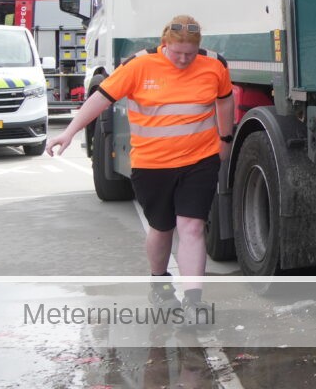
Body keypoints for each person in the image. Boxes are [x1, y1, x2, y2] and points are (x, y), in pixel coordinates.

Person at [47, 16, 234, 325]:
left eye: (190, 53)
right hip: (152, 165)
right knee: (162, 228)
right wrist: (68, 132)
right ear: (165, 44)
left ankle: (193, 301)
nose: (184, 59)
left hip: (199, 160)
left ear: (198, 48)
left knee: (192, 227)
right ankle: (159, 282)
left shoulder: (214, 65)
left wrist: (225, 138)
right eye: (177, 53)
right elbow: (100, 99)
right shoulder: (139, 66)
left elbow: (225, 101)